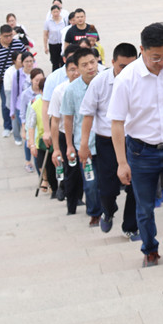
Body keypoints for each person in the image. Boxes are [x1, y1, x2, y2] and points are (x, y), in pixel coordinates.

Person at [108, 22, 163, 268]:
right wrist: (122, 162)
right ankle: (149, 249)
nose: (162, 62)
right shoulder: (127, 79)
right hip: (141, 151)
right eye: (156, 57)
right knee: (145, 208)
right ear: (142, 50)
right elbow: (117, 123)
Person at [80, 42, 139, 237]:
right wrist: (84, 145)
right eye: (122, 66)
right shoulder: (99, 82)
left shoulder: (140, 80)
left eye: (131, 66)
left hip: (134, 140)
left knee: (136, 186)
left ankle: (130, 226)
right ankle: (108, 211)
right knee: (107, 189)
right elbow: (88, 115)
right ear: (112, 62)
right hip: (107, 142)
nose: (126, 71)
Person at [62, 47, 103, 227]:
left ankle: (107, 209)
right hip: (85, 145)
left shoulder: (106, 83)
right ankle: (94, 213)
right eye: (84, 65)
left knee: (106, 182)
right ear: (77, 68)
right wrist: (70, 145)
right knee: (91, 183)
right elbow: (68, 119)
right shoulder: (71, 90)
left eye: (92, 62)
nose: (90, 67)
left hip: (106, 142)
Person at [49, 55, 81, 210]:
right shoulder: (59, 91)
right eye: (72, 70)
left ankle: (82, 197)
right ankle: (72, 203)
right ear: (66, 72)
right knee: (71, 170)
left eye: (77, 69)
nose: (76, 73)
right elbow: (55, 121)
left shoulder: (89, 87)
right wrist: (56, 149)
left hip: (84, 134)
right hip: (65, 135)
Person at [0, 24, 26, 137]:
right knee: (6, 104)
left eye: (10, 36)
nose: (9, 38)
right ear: (0, 35)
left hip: (20, 79)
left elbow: (27, 57)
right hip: (4, 81)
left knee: (21, 102)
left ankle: (20, 124)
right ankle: (7, 127)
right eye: (6, 36)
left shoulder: (18, 44)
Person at [43, 4, 68, 71]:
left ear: (60, 11)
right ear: (51, 12)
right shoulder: (48, 22)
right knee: (55, 62)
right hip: (53, 44)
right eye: (54, 12)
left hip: (62, 44)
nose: (56, 14)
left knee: (62, 60)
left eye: (57, 12)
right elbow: (45, 34)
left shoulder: (64, 21)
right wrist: (45, 47)